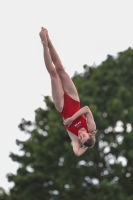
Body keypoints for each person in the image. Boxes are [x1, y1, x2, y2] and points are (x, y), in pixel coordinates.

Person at [39, 27, 97, 156]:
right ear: (89, 134)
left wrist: (85, 145)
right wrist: (72, 118)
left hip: (62, 106)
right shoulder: (91, 128)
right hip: (73, 99)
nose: (81, 135)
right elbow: (87, 109)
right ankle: (48, 40)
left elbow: (77, 153)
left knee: (53, 74)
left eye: (81, 138)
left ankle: (44, 44)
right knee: (60, 69)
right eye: (84, 136)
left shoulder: (75, 139)